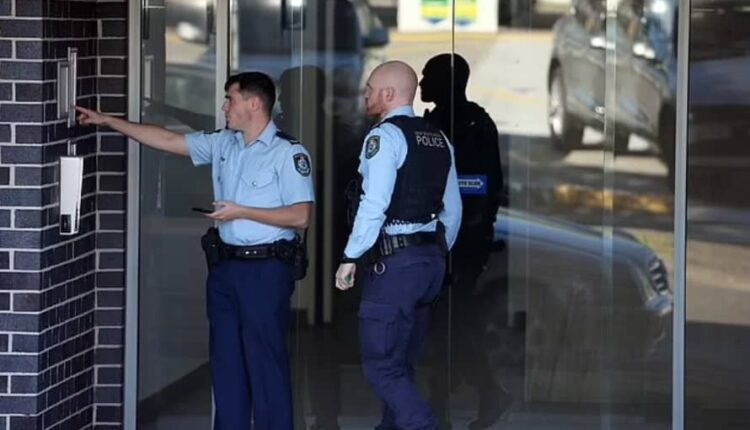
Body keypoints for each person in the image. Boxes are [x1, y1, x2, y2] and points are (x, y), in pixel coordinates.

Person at [76, 72, 314, 430]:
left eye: (230, 99)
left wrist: (242, 211)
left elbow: (301, 216)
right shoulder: (223, 143)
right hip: (225, 269)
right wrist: (109, 121)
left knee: (265, 363)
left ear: (254, 103)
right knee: (226, 364)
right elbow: (167, 140)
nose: (224, 106)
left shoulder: (287, 152)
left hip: (266, 270)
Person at [335, 60, 462, 430]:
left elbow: (374, 204)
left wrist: (351, 256)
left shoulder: (384, 138)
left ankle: (422, 425)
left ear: (388, 94)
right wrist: (435, 252)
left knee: (381, 366)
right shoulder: (439, 139)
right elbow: (453, 210)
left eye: (370, 89)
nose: (365, 95)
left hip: (395, 265)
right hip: (428, 264)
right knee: (400, 362)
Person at [420, 53, 510, 429]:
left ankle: (482, 393)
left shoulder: (474, 125)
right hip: (438, 241)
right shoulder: (432, 122)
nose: (422, 83)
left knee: (450, 323)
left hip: (461, 244)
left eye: (428, 76)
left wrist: (465, 240)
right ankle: (450, 402)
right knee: (445, 326)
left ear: (449, 82)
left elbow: (479, 187)